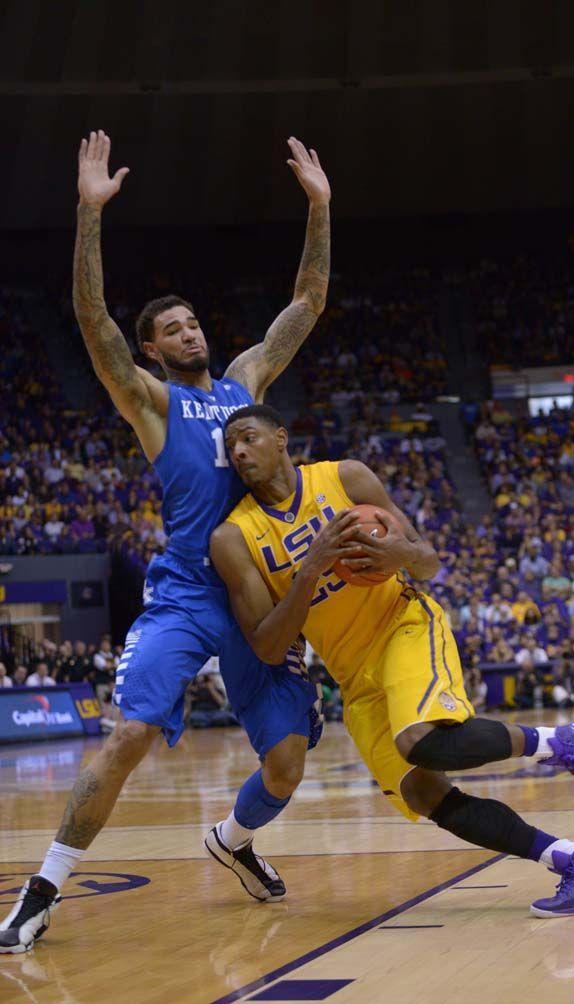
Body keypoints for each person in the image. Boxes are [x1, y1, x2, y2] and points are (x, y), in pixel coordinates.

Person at [0, 130, 331, 954]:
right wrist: (88, 213)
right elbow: (91, 318)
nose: (189, 333)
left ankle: (235, 842)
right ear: (151, 350)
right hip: (186, 592)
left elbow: (306, 304)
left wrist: (320, 209)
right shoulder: (151, 402)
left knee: (287, 766)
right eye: (172, 329)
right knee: (130, 735)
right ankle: (42, 890)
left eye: (192, 323)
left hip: (255, 596)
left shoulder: (245, 385)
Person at [211, 405, 574, 919]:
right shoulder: (234, 537)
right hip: (352, 677)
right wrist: (310, 569)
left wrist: (399, 557)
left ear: (281, 437)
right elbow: (268, 647)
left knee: (420, 741)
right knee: (427, 794)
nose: (240, 452)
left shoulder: (345, 477)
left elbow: (427, 561)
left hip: (402, 625)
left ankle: (561, 742)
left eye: (248, 438)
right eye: (231, 447)